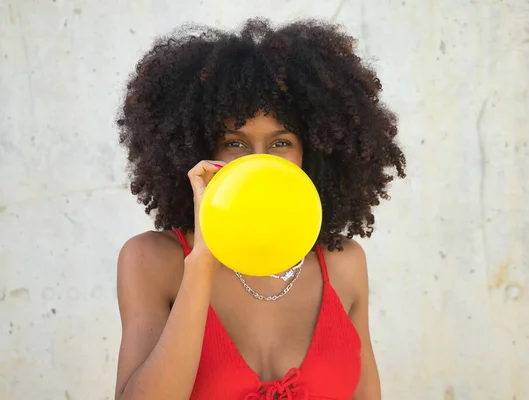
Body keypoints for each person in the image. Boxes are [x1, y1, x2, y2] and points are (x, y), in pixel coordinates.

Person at [114, 17, 406, 400]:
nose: (258, 160)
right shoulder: (151, 260)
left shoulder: (344, 265)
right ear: (201, 151)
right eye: (234, 143)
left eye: (281, 142)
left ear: (312, 153)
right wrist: (203, 260)